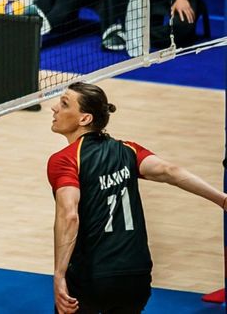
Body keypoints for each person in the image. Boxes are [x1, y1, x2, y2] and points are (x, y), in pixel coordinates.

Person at [48, 81, 227, 313]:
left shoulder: (65, 159)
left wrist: (59, 274)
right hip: (137, 277)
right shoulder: (128, 150)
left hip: (93, 277)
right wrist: (222, 199)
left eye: (63, 104)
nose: (54, 108)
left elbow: (69, 215)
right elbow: (169, 171)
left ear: (85, 119)